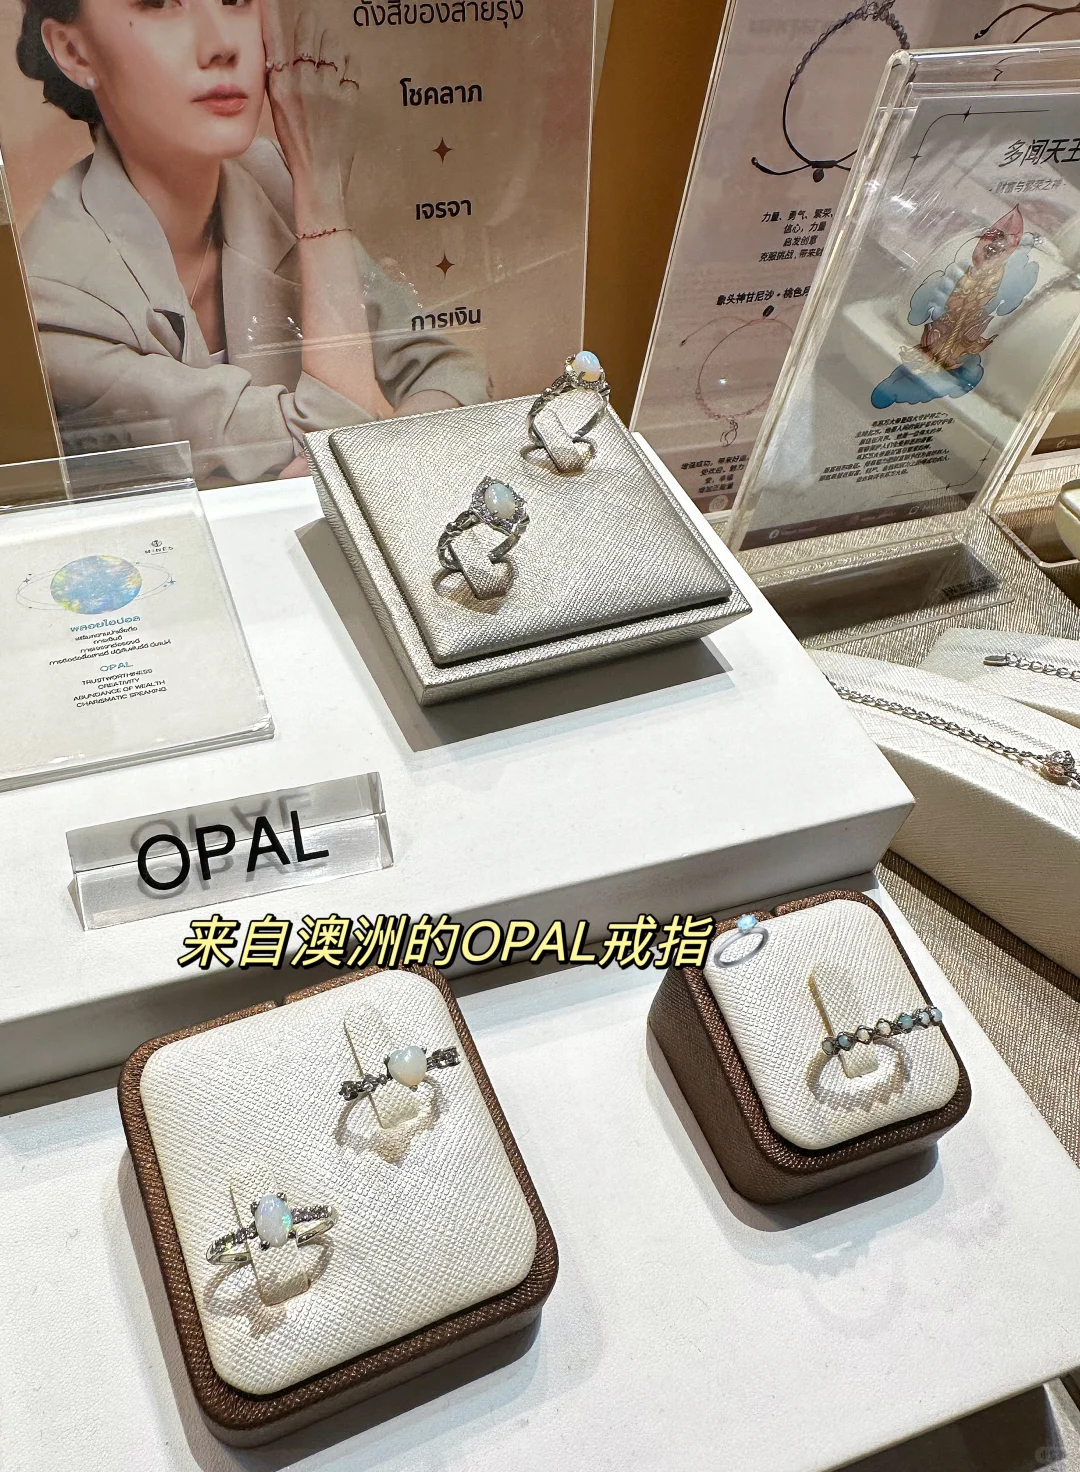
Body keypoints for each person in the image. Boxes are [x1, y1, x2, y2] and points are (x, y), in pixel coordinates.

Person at [16, 0, 486, 484]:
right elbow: (338, 435)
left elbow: (451, 371)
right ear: (73, 51)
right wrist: (320, 189)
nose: (222, 45)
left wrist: (388, 451)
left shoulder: (275, 176)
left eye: (236, 0)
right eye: (159, 3)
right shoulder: (53, 302)